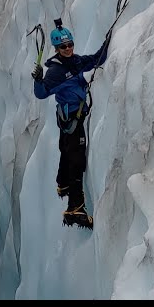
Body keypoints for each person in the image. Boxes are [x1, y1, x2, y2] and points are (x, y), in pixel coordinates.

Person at [31, 18, 111, 230]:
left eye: (70, 45)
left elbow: (96, 60)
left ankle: (63, 184)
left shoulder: (75, 61)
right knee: (76, 160)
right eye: (63, 46)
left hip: (68, 119)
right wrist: (38, 80)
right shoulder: (55, 72)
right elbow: (41, 94)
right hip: (72, 119)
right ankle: (75, 208)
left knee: (66, 150)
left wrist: (109, 39)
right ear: (56, 48)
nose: (68, 49)